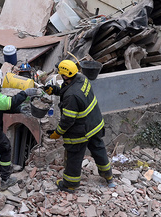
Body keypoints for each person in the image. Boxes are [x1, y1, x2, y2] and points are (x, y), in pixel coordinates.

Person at [44, 60, 115, 193]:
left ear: (66, 76)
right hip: (95, 123)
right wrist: (55, 90)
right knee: (98, 149)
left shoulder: (71, 97)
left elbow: (67, 120)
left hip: (81, 130)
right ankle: (108, 175)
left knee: (74, 155)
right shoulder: (81, 78)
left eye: (60, 74)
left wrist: (57, 133)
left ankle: (70, 184)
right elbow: (71, 91)